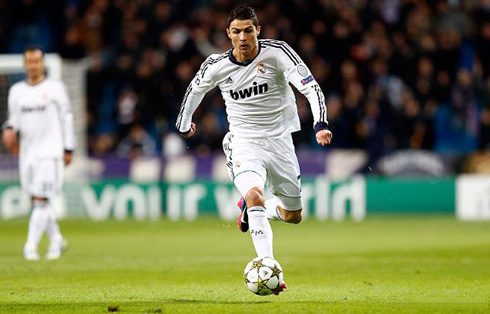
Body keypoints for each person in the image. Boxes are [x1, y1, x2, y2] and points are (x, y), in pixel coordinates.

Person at [176, 6, 332, 293]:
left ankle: (252, 210)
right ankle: (268, 265)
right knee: (254, 193)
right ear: (228, 34)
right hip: (244, 142)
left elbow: (310, 88)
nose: (243, 37)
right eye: (237, 31)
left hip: (280, 142)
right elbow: (195, 90)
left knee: (293, 216)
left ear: (258, 30)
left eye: (248, 30)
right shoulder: (217, 65)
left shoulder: (277, 53)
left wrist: (320, 123)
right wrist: (184, 124)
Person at [2, 46, 76, 260]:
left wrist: (68, 147)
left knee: (40, 198)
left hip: (50, 151)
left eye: (37, 61)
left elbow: (67, 118)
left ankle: (30, 247)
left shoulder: (55, 88)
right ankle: (57, 240)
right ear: (25, 64)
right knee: (37, 200)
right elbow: (14, 118)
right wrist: (8, 129)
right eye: (30, 61)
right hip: (28, 154)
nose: (33, 65)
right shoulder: (17, 91)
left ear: (42, 63)